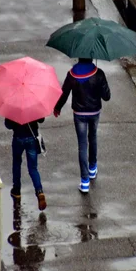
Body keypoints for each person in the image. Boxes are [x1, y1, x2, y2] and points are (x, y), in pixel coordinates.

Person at [54, 58, 111, 193]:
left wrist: (58, 108)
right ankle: (92, 169)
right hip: (94, 112)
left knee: (82, 145)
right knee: (93, 138)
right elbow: (107, 96)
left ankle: (84, 181)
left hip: (79, 114)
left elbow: (64, 93)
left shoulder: (72, 74)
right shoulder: (99, 73)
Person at [5, 118, 47, 211]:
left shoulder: (13, 106)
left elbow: (8, 125)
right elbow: (41, 120)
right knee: (33, 168)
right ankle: (39, 191)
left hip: (18, 138)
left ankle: (16, 190)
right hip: (32, 138)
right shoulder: (34, 104)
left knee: (16, 164)